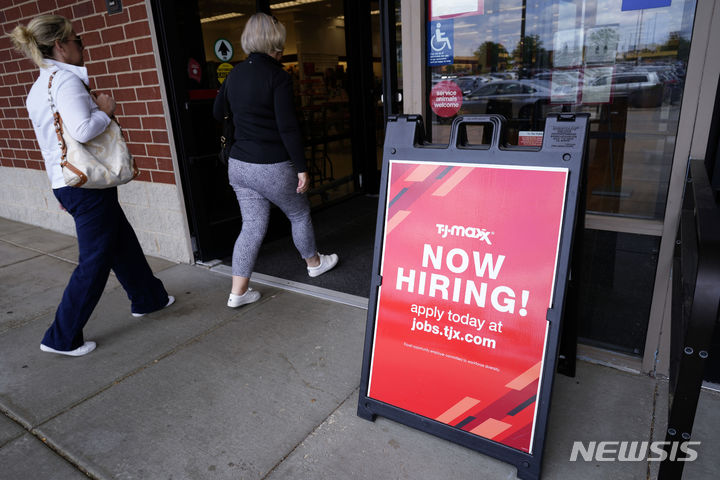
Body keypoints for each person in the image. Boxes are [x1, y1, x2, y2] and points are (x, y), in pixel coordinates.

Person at [9, 15, 174, 357]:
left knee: (120, 241)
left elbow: (51, 144)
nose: (82, 46)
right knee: (95, 261)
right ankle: (60, 337)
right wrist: (106, 110)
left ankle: (149, 298)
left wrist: (61, 187)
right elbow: (83, 130)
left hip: (71, 182)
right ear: (60, 45)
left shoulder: (39, 88)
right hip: (84, 185)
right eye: (78, 40)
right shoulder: (65, 82)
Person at [213, 13, 338, 309]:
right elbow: (287, 126)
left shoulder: (235, 73)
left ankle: (238, 292)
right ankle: (314, 262)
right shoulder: (278, 75)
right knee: (298, 214)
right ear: (275, 43)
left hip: (239, 165)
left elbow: (219, 112)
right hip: (271, 164)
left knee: (252, 226)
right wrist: (302, 166)